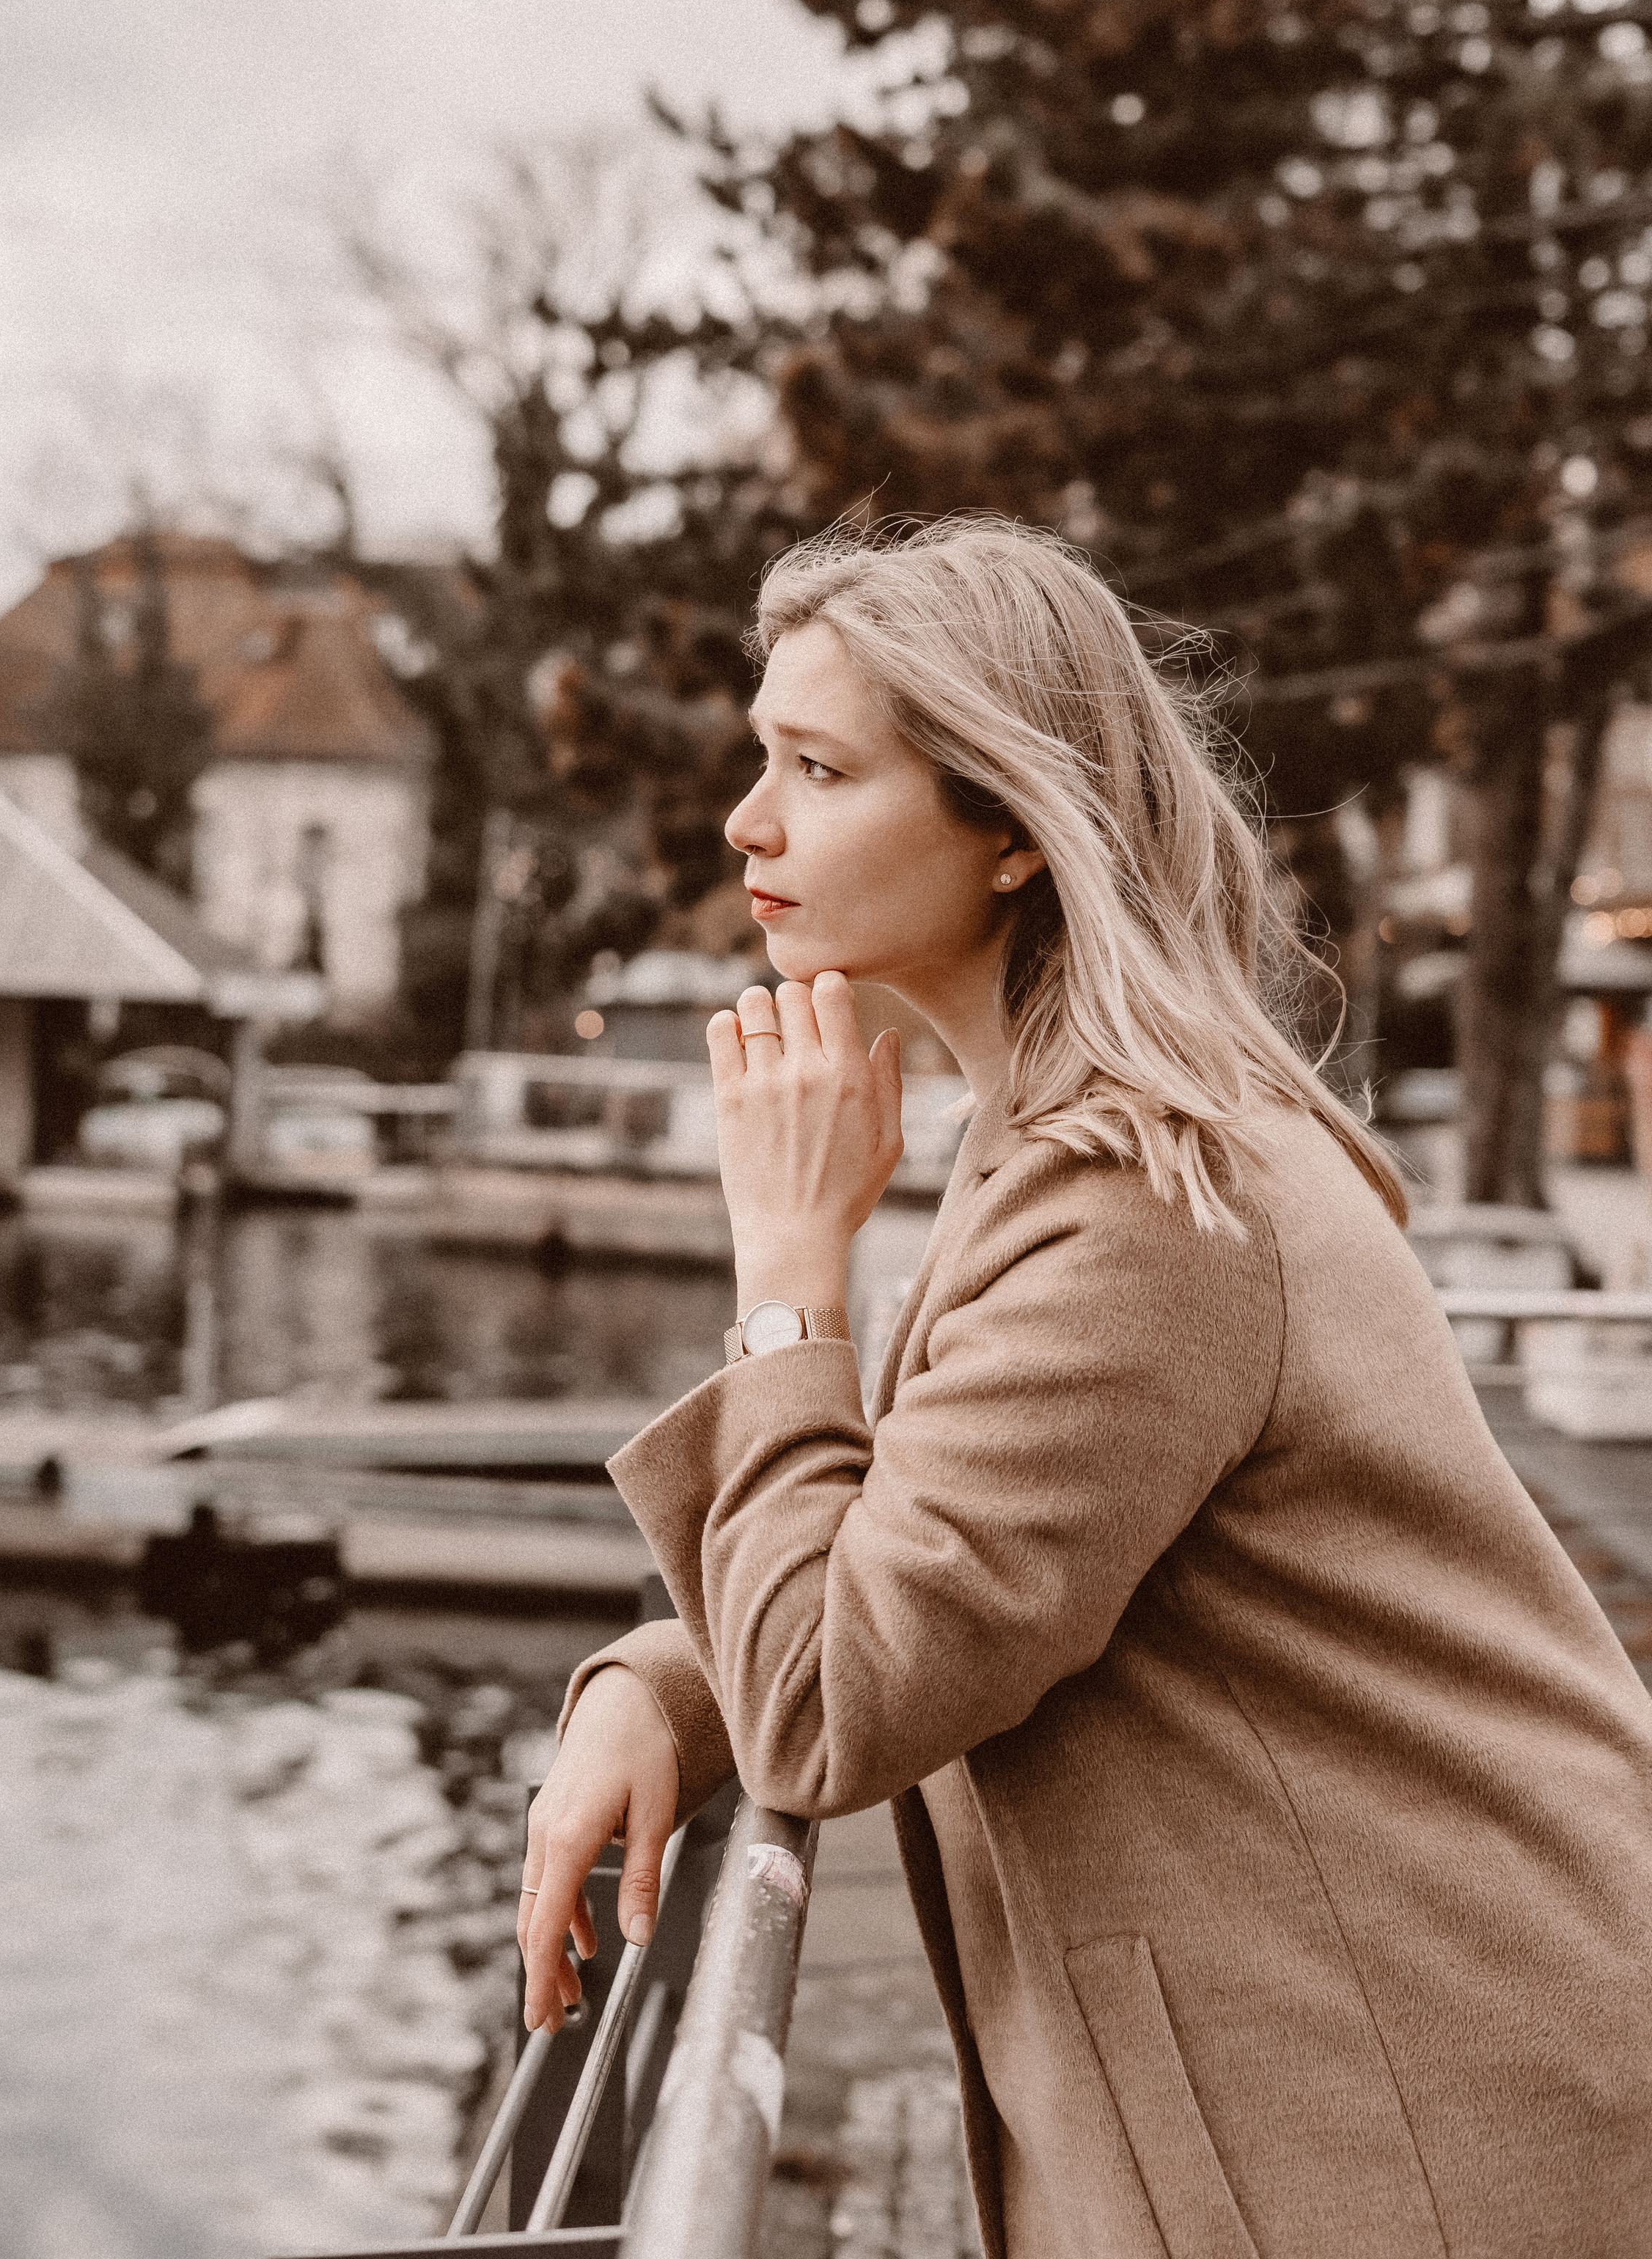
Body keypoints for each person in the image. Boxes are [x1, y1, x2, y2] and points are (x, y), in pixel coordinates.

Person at [517, 518, 1652, 2259]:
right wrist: (667, 1689)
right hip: (1354, 2078)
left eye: (815, 769)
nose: (747, 823)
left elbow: (835, 1703)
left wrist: (780, 1277)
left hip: (1400, 2121)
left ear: (1006, 833)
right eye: (762, 760)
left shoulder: (1137, 1197)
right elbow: (938, 1532)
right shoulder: (1063, 1140)